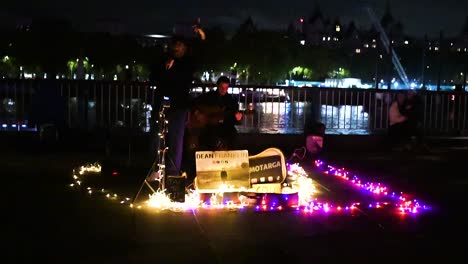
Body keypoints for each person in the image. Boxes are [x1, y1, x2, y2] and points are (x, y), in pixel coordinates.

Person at [149, 24, 206, 177]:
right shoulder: (165, 61)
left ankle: (173, 172)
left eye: (180, 46)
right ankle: (156, 169)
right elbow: (153, 78)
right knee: (157, 138)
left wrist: (200, 35)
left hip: (179, 107)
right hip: (162, 105)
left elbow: (200, 51)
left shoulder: (188, 63)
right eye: (175, 45)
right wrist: (165, 69)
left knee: (176, 140)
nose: (177, 48)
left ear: (185, 48)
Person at [191, 76, 243, 150]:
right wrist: (198, 113)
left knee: (234, 134)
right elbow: (193, 103)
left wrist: (238, 118)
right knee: (209, 135)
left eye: (226, 88)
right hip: (209, 125)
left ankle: (230, 157)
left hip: (225, 126)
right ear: (218, 86)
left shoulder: (231, 101)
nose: (223, 90)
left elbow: (233, 117)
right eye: (222, 87)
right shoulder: (208, 96)